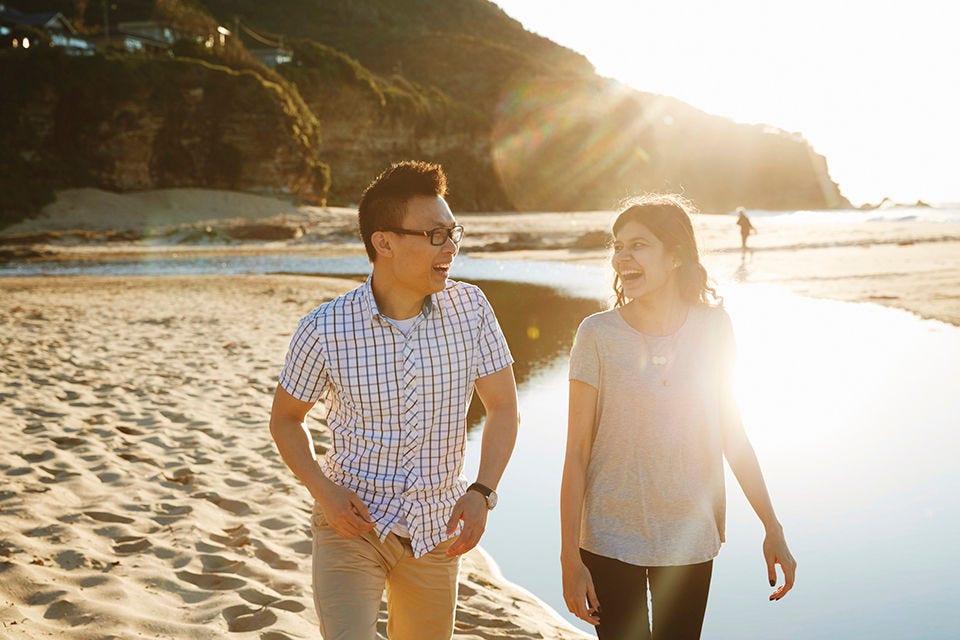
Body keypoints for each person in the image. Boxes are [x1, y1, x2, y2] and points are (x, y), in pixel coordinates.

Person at [270, 160, 519, 640]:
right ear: (383, 242)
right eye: (434, 235)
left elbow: (503, 407)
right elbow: (285, 419)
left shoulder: (472, 310)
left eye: (453, 233)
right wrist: (324, 490)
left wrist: (483, 492)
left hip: (435, 529)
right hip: (351, 523)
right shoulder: (324, 327)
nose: (449, 248)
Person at [560, 195, 796, 639]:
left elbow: (734, 437)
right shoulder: (596, 334)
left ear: (676, 256)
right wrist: (569, 557)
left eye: (637, 245)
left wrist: (772, 527)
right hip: (608, 536)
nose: (621, 257)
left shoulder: (714, 328)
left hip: (690, 534)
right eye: (617, 245)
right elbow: (576, 452)